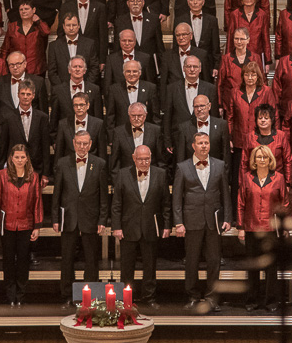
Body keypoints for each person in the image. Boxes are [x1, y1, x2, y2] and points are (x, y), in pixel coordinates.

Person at [173, 132, 232, 311]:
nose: (204, 146)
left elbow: (225, 194)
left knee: (214, 261)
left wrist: (227, 218)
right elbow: (177, 197)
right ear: (193, 146)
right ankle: (192, 296)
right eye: (200, 143)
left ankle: (212, 298)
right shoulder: (182, 167)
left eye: (206, 142)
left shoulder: (219, 165)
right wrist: (178, 222)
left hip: (214, 221)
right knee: (192, 261)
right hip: (192, 220)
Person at [52, 130, 110, 308]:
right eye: (79, 143)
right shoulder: (62, 163)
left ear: (90, 144)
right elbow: (57, 193)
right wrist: (55, 218)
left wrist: (102, 219)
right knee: (67, 258)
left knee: (91, 259)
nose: (82, 147)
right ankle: (67, 295)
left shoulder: (100, 164)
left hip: (91, 217)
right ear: (73, 143)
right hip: (68, 217)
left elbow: (103, 196)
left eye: (85, 143)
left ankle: (90, 296)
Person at [112, 145, 171, 308]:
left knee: (150, 266)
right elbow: (116, 204)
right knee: (127, 267)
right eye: (140, 159)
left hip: (151, 226)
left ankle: (149, 298)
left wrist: (167, 225)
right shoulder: (123, 174)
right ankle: (126, 300)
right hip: (128, 227)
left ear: (151, 158)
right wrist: (116, 226)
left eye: (147, 159)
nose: (144, 162)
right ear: (133, 158)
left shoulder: (160, 174)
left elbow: (166, 203)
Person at [0, 145, 42, 307]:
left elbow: (37, 202)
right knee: (8, 260)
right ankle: (10, 294)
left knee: (23, 261)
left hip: (26, 224)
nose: (19, 160)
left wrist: (37, 226)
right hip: (7, 224)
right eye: (17, 157)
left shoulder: (33, 176)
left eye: (22, 157)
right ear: (11, 158)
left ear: (27, 159)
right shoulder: (2, 175)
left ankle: (21, 294)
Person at [237, 145, 287, 313]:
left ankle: (271, 301)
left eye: (265, 157)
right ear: (254, 160)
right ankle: (252, 300)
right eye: (259, 157)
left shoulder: (279, 178)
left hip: (271, 229)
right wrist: (240, 227)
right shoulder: (246, 177)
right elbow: (241, 203)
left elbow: (284, 203)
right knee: (253, 266)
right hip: (252, 227)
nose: (262, 160)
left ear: (270, 159)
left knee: (271, 268)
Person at [227, 62, 276, 197]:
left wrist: (272, 137)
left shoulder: (266, 91)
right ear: (242, 76)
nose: (249, 78)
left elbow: (273, 115)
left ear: (258, 76)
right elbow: (230, 117)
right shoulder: (235, 92)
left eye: (253, 75)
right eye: (247, 74)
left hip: (260, 141)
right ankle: (237, 208)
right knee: (239, 179)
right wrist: (230, 137)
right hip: (239, 141)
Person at [0, 79, 52, 182]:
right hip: (13, 170)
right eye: (23, 94)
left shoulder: (42, 118)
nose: (25, 97)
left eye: (28, 94)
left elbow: (45, 147)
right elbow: (2, 146)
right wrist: (2, 169)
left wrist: (45, 174)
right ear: (18, 95)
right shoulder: (7, 117)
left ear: (33, 95)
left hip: (36, 169)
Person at [0, 51, 46, 142]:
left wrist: (44, 135)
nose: (15, 67)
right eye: (11, 65)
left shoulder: (38, 82)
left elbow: (43, 111)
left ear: (25, 64)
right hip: (5, 133)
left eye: (18, 64)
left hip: (30, 133)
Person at [161, 55, 216, 149]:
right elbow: (167, 116)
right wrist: (167, 141)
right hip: (178, 138)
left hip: (204, 139)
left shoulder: (210, 88)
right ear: (183, 68)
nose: (192, 69)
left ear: (200, 69)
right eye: (189, 66)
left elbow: (214, 115)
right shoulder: (172, 88)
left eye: (195, 66)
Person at [172, 95, 231, 176]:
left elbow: (226, 154)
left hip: (215, 174)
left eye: (202, 106)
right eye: (196, 106)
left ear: (209, 106)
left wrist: (225, 175)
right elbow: (181, 156)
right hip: (191, 175)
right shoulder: (184, 128)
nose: (199, 109)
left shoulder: (221, 125)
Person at [60, 0, 109, 65]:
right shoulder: (66, 7)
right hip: (71, 55)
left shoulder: (100, 7)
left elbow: (103, 36)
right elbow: (61, 33)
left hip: (93, 57)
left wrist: (102, 60)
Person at [241, 104, 292, 187]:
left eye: (266, 118)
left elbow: (288, 160)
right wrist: (242, 183)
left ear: (272, 120)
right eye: (260, 118)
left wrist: (288, 183)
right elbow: (244, 162)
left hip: (277, 181)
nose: (263, 120)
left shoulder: (281, 136)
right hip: (254, 181)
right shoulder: (250, 137)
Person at [109, 102, 167, 176]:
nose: (136, 119)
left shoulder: (155, 131)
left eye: (139, 116)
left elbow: (161, 160)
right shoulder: (118, 132)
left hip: (151, 177)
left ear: (145, 115)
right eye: (133, 116)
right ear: (129, 115)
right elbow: (115, 163)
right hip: (127, 178)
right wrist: (117, 180)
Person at [174, 0, 221, 78]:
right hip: (187, 65)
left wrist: (216, 66)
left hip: (207, 65)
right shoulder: (179, 20)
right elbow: (176, 45)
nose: (195, 2)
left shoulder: (212, 20)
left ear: (203, 2)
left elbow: (215, 45)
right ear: (188, 2)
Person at [50, 56, 104, 134]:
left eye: (80, 67)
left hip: (89, 137)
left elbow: (98, 117)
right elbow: (54, 119)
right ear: (69, 70)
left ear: (85, 71)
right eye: (75, 67)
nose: (77, 69)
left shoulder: (95, 89)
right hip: (66, 137)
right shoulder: (58, 90)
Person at [114, 0, 165, 73]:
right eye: (132, 1)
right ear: (127, 3)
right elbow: (116, 48)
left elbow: (160, 47)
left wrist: (163, 69)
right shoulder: (119, 21)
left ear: (143, 3)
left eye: (138, 1)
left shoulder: (154, 20)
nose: (135, 3)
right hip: (128, 68)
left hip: (150, 67)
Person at [0, 0, 50, 77]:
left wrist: (38, 21)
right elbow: (5, 49)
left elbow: (46, 32)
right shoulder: (13, 27)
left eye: (26, 9)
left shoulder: (39, 26)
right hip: (16, 70)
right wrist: (4, 69)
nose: (23, 11)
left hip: (36, 70)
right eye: (21, 9)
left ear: (33, 10)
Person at [217, 27, 264, 115]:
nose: (239, 42)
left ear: (248, 40)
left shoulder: (255, 58)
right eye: (236, 39)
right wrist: (220, 105)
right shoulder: (226, 59)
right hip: (230, 104)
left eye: (242, 39)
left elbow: (261, 81)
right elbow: (220, 83)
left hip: (252, 103)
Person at [225, 0, 272, 71]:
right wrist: (227, 59)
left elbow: (265, 39)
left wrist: (267, 61)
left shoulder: (262, 15)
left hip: (256, 56)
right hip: (238, 57)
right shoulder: (234, 15)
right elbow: (230, 38)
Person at [106, 59, 160, 132]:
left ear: (140, 73)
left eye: (134, 71)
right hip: (122, 134)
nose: (131, 74)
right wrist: (111, 136)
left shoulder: (150, 88)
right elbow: (110, 117)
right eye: (128, 71)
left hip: (146, 133)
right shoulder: (114, 89)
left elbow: (155, 115)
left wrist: (155, 134)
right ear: (124, 73)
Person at [54, 92, 108, 161]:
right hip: (69, 165)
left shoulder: (98, 124)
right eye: (76, 105)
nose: (78, 108)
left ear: (88, 105)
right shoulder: (63, 124)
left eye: (81, 105)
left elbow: (102, 153)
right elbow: (59, 153)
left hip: (91, 165)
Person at [48, 12, 99, 86]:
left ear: (79, 26)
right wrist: (62, 89)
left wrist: (85, 86)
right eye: (68, 25)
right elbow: (52, 72)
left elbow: (94, 68)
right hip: (61, 89)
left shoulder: (89, 44)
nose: (71, 28)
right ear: (63, 26)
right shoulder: (54, 46)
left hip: (85, 87)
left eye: (74, 25)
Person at [160, 23, 209, 89]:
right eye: (178, 35)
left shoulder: (202, 54)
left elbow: (206, 81)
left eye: (184, 34)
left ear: (191, 36)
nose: (181, 38)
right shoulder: (167, 56)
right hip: (174, 93)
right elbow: (163, 83)